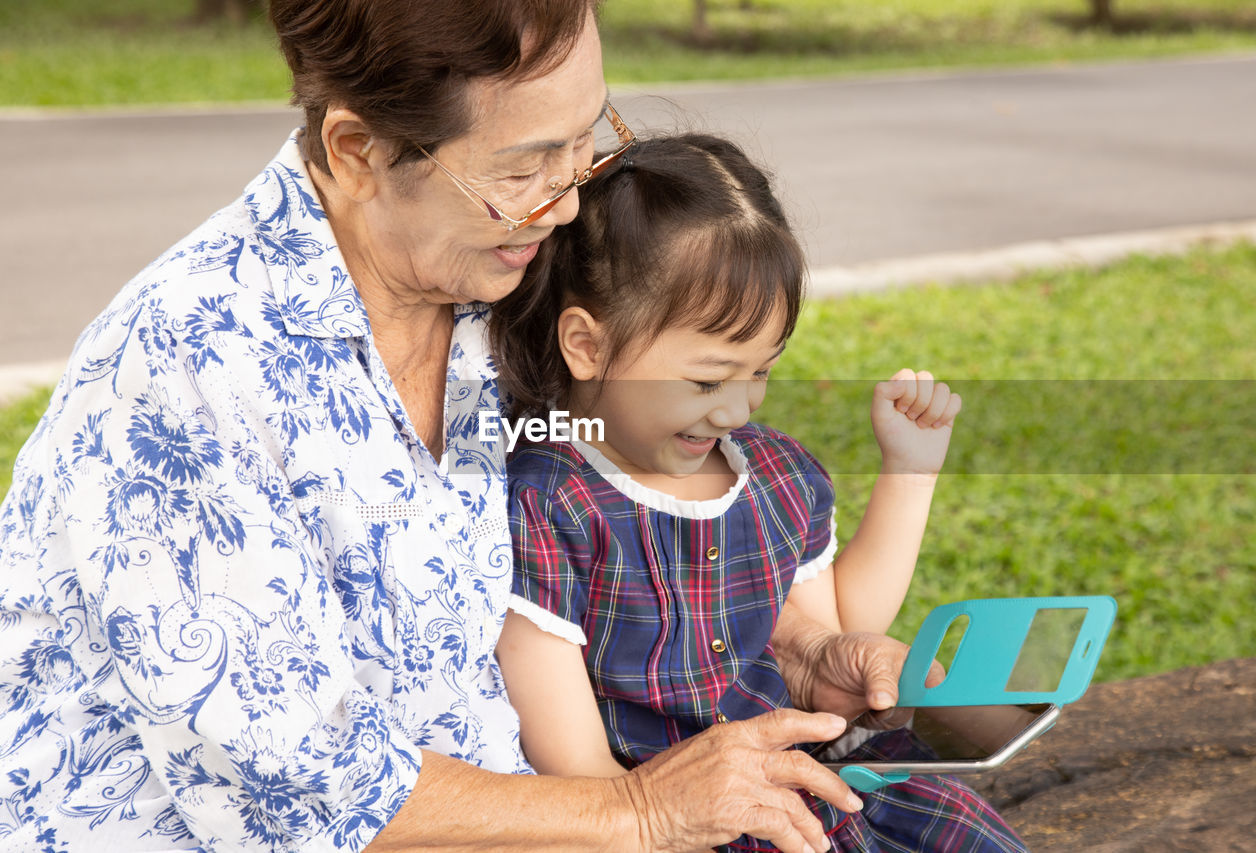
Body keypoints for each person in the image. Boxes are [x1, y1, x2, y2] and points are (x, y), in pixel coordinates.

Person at [0, 2, 924, 851]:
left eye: (586, 141)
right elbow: (290, 788)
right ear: (358, 149)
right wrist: (638, 811)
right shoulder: (187, 369)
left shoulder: (501, 281)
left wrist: (799, 654)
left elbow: (628, 522)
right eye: (524, 165)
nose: (566, 201)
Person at [489, 133, 1025, 851]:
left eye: (760, 372)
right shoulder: (550, 505)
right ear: (587, 344)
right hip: (681, 824)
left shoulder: (774, 475)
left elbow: (840, 623)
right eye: (707, 379)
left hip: (817, 797)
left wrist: (910, 472)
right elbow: (576, 766)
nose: (736, 409)